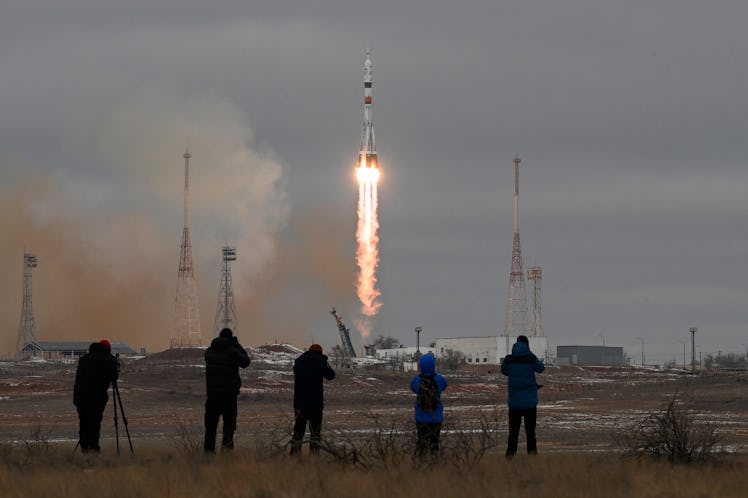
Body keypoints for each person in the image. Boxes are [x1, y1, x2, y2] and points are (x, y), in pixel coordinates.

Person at [204, 327, 251, 453]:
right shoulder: (232, 351)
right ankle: (227, 454)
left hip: (212, 396)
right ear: (230, 339)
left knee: (210, 428)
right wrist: (237, 345)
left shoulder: (209, 352)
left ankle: (208, 455)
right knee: (229, 427)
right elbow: (246, 362)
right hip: (228, 396)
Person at [501, 335, 545, 457]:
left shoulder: (509, 359)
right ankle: (532, 457)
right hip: (529, 403)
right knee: (530, 432)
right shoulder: (530, 358)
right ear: (527, 345)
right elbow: (541, 368)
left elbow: (504, 371)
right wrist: (529, 354)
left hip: (514, 402)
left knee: (513, 432)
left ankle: (510, 457)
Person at [73, 339, 119, 453]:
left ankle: (85, 450)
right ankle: (93, 452)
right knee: (94, 424)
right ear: (108, 349)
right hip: (95, 398)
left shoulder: (84, 359)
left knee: (84, 424)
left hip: (80, 398)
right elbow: (113, 377)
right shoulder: (107, 358)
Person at [290, 344, 335, 455]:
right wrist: (325, 361)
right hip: (315, 404)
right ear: (320, 352)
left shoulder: (299, 361)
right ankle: (314, 457)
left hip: (300, 403)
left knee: (298, 431)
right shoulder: (320, 362)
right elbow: (331, 375)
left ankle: (294, 456)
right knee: (315, 433)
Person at [410, 353, 448, 459]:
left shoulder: (416, 380)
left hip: (421, 418)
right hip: (436, 418)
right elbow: (445, 386)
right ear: (433, 365)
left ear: (420, 365)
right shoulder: (439, 379)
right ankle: (434, 465)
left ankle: (422, 465)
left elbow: (412, 388)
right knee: (434, 443)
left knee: (422, 443)